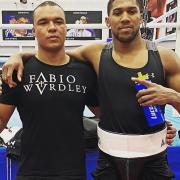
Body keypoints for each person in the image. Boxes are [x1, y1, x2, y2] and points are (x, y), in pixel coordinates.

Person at [1, 0, 179, 179]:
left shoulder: (165, 58)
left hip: (147, 162)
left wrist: (171, 100)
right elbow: (52, 54)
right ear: (108, 21)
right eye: (118, 13)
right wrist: (18, 55)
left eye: (132, 11)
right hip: (102, 163)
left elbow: (109, 112)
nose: (125, 18)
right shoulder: (95, 53)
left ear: (141, 16)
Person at [0, 1, 99, 180]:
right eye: (43, 22)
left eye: (58, 21)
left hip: (73, 172)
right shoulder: (17, 71)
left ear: (66, 27)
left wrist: (156, 128)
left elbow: (109, 116)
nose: (52, 27)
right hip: (31, 172)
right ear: (34, 29)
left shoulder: (84, 71)